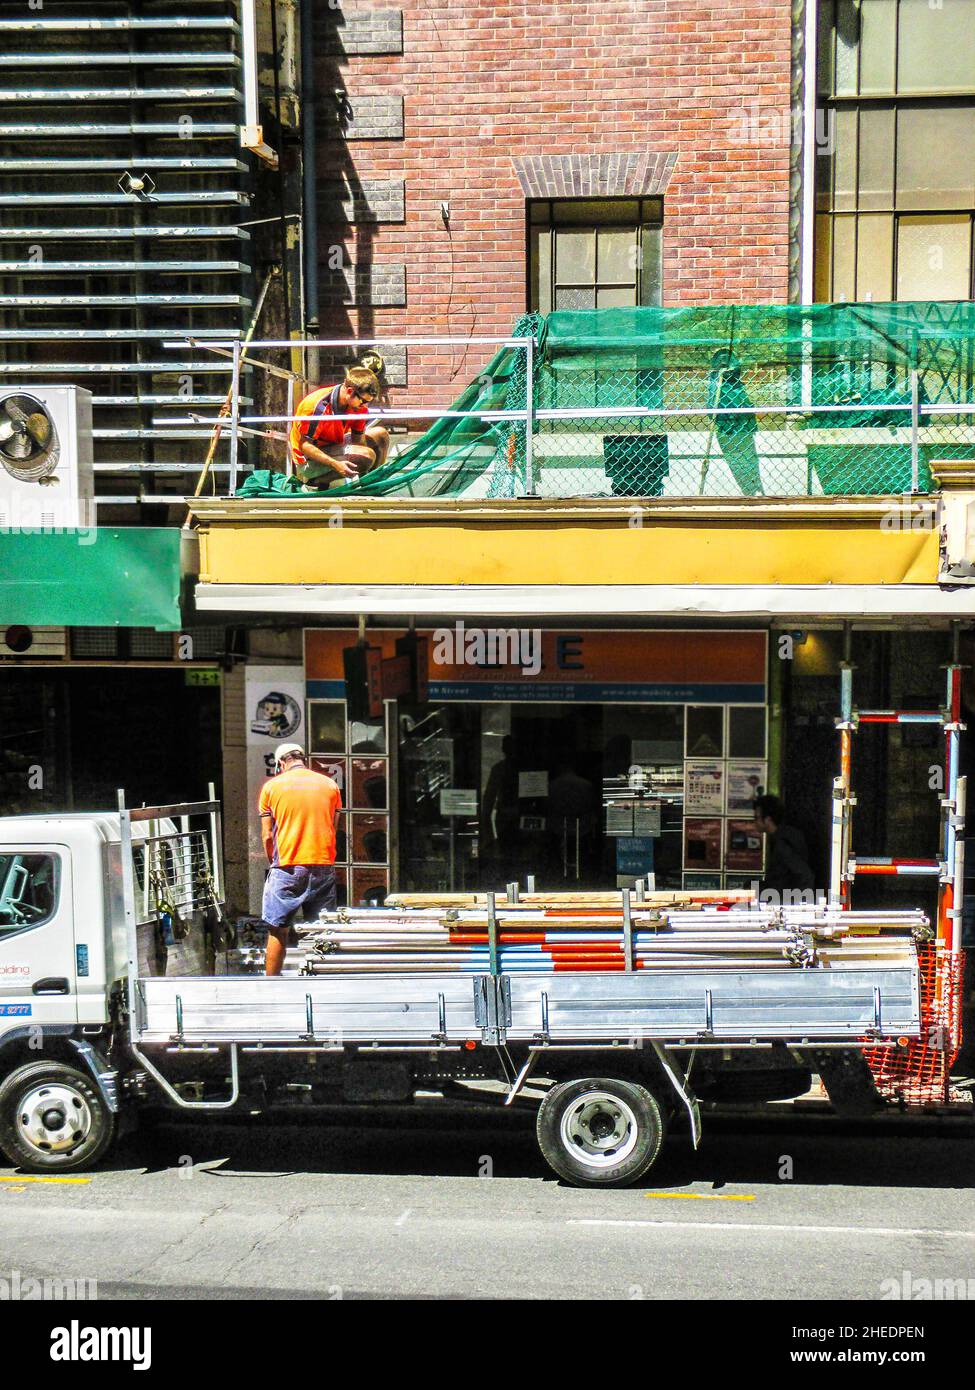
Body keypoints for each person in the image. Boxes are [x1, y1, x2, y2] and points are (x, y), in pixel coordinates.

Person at [258, 742, 342, 975]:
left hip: (286, 866)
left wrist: (273, 862)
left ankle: (271, 986)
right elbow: (333, 828)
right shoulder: (330, 785)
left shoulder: (271, 788)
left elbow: (267, 835)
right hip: (322, 864)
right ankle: (321, 983)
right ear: (303, 759)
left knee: (278, 930)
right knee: (321, 930)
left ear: (281, 763)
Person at [289, 366, 389, 488]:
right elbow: (304, 446)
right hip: (308, 460)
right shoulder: (317, 407)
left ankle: (370, 485)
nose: (364, 405)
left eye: (367, 402)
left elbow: (359, 441)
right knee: (367, 456)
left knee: (381, 435)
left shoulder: (358, 407)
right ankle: (317, 482)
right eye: (362, 400)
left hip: (333, 446)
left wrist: (362, 463)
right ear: (349, 391)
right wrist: (335, 464)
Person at [753, 793, 815, 899]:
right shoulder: (784, 837)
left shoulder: (782, 843)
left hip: (786, 903)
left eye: (757, 817)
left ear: (768, 820)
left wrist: (799, 905)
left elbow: (804, 874)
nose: (755, 821)